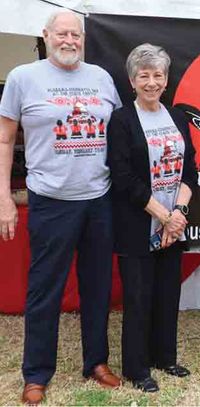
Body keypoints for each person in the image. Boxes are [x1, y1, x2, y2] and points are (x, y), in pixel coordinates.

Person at [0, 9, 122, 405]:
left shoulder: (101, 78)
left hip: (98, 199)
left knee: (97, 285)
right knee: (44, 290)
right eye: (62, 34)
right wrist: (4, 196)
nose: (69, 41)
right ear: (46, 35)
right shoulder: (22, 77)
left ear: (83, 39)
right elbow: (5, 141)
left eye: (76, 35)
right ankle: (36, 374)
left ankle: (96, 362)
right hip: (50, 201)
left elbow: (118, 135)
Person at [107, 43, 198, 392]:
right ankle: (137, 367)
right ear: (132, 81)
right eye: (143, 75)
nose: (151, 82)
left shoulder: (176, 117)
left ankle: (165, 357)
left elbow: (190, 170)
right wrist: (162, 215)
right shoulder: (121, 120)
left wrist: (178, 215)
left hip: (173, 223)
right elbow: (123, 176)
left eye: (157, 75)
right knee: (139, 296)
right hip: (138, 224)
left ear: (166, 79)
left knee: (166, 293)